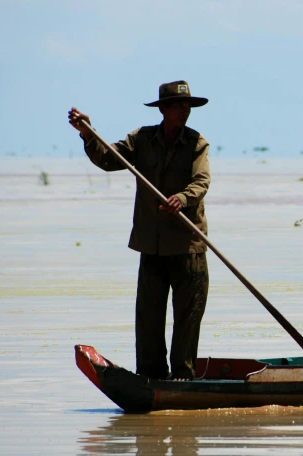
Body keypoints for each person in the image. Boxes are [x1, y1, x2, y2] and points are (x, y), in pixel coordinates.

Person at [68, 80, 211, 381]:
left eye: (188, 107)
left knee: (187, 317)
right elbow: (108, 159)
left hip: (187, 245)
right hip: (152, 244)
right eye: (178, 106)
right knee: (148, 317)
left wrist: (182, 198)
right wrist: (88, 133)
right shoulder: (142, 140)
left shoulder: (197, 143)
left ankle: (183, 378)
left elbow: (201, 182)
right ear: (164, 109)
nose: (185, 111)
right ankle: (151, 377)